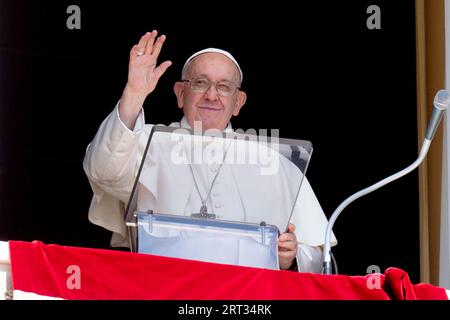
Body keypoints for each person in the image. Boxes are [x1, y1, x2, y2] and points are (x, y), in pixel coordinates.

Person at [83, 30, 336, 273]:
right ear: (181, 93)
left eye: (224, 87)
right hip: (165, 288)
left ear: (238, 102)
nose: (212, 96)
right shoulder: (149, 143)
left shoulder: (273, 162)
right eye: (200, 83)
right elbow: (103, 170)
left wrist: (290, 257)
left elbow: (319, 256)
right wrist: (134, 94)